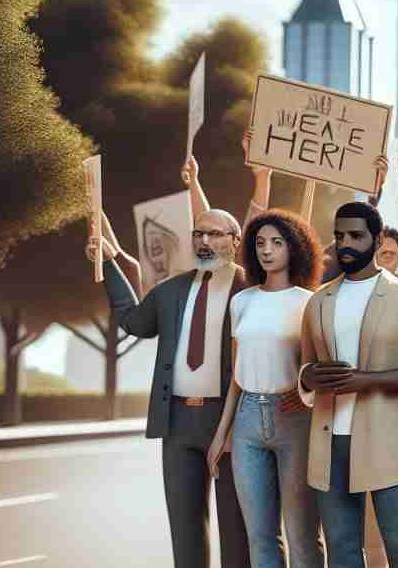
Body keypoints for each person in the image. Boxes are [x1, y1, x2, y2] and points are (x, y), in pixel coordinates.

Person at [93, 206, 251, 568]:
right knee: (185, 531)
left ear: (235, 241)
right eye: (199, 234)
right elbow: (134, 322)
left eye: (214, 234)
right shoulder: (172, 290)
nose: (205, 241)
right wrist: (108, 268)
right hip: (177, 422)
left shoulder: (251, 291)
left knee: (236, 530)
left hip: (232, 424)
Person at [297, 202, 398, 568]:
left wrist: (369, 381)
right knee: (342, 547)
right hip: (329, 437)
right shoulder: (318, 301)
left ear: (377, 239)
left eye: (355, 235)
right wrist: (307, 377)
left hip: (391, 436)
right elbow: (304, 367)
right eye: (339, 236)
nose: (345, 243)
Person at [204, 210, 325, 568]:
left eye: (276, 242)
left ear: (294, 248)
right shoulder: (241, 302)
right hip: (246, 425)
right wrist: (221, 433)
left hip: (295, 419)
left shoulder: (309, 302)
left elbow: (315, 368)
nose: (267, 250)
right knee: (260, 538)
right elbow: (237, 377)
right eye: (259, 243)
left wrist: (306, 397)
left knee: (303, 535)